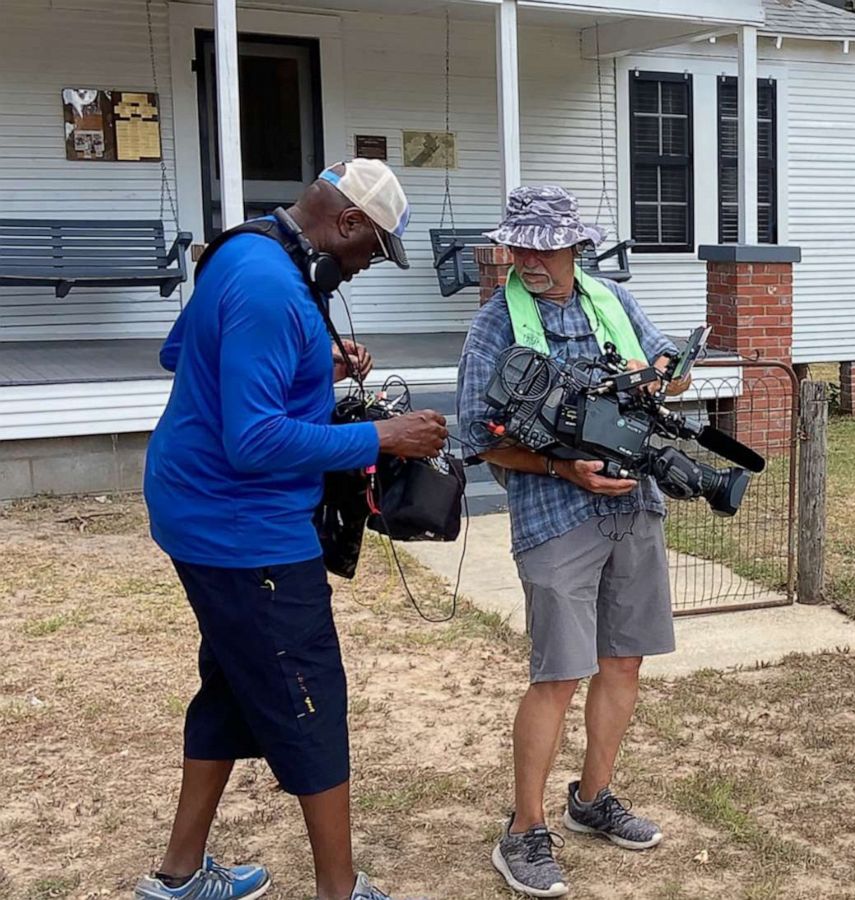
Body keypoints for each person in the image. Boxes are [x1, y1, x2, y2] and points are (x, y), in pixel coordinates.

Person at [137, 159, 448, 900]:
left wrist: (313, 368)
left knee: (233, 687)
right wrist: (382, 436)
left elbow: (181, 353)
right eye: (371, 249)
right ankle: (339, 892)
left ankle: (179, 876)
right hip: (244, 532)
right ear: (345, 223)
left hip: (196, 512)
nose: (367, 266)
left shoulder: (242, 249)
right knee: (310, 703)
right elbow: (253, 440)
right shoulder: (274, 287)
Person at [456, 185, 691, 899]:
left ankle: (592, 800)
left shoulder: (613, 302)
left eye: (541, 245)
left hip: (635, 502)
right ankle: (524, 830)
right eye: (517, 245)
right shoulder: (495, 326)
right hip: (554, 517)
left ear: (574, 247)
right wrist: (562, 466)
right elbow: (476, 438)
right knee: (558, 673)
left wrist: (666, 374)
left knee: (624, 662)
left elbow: (668, 373)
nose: (526, 258)